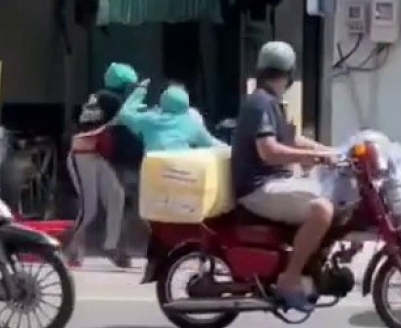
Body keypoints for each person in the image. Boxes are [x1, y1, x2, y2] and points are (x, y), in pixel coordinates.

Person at [231, 41, 336, 312]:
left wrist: (332, 152)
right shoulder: (260, 104)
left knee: (334, 197)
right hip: (258, 189)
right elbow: (269, 152)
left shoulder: (271, 103)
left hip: (274, 183)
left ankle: (311, 263)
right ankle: (289, 280)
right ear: (289, 73)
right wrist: (312, 158)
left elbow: (293, 140)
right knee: (322, 209)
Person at [66, 62, 143, 268]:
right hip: (82, 154)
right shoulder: (111, 99)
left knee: (116, 195)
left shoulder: (100, 97)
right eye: (129, 86)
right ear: (121, 85)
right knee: (89, 208)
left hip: (95, 154)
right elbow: (126, 118)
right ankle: (72, 248)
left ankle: (111, 246)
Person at [118, 82, 225, 151]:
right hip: (182, 171)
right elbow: (211, 143)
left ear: (163, 101)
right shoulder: (191, 124)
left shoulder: (149, 119)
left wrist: (140, 91)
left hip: (154, 168)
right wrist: (230, 150)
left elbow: (124, 114)